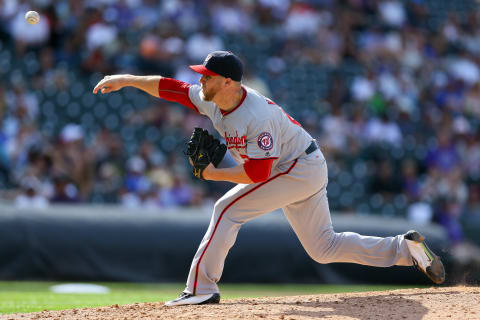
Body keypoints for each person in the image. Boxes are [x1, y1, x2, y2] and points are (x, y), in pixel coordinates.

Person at [93, 51, 445, 307]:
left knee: (227, 208)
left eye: (207, 75)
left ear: (227, 81)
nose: (201, 79)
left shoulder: (255, 115)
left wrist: (214, 173)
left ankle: (201, 289)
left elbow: (258, 173)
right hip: (300, 166)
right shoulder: (212, 99)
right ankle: (405, 248)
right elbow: (170, 88)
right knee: (323, 248)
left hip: (296, 168)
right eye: (202, 74)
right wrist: (125, 80)